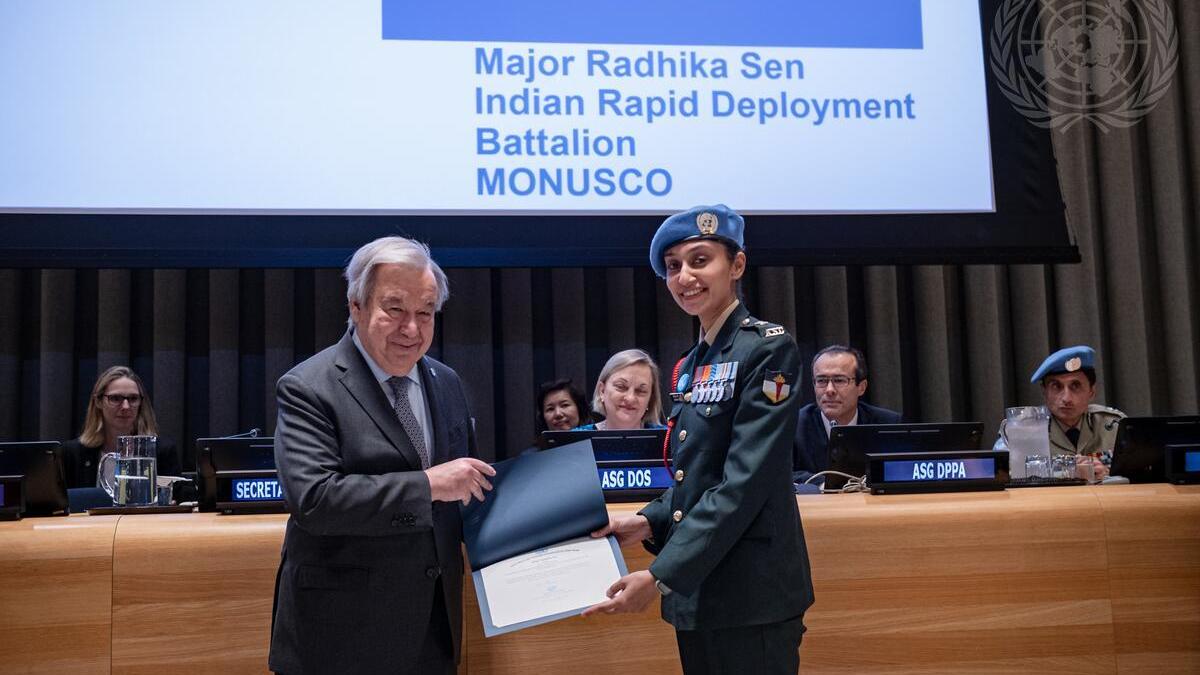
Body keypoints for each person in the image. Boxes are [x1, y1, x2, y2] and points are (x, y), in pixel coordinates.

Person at [583, 204, 814, 674]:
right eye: (673, 267)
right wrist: (645, 521)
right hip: (701, 591)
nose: (684, 276)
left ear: (737, 265)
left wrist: (660, 575)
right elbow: (696, 476)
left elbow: (743, 481)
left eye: (700, 260)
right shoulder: (692, 364)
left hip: (751, 595)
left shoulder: (767, 348)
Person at [268, 236, 496, 675]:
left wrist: (559, 531)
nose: (412, 328)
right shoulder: (308, 387)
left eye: (425, 313)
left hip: (433, 633)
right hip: (339, 639)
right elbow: (315, 500)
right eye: (394, 309)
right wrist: (428, 485)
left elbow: (467, 493)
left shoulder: (446, 382)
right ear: (356, 306)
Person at [996, 345, 1124, 479]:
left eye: (1075, 386)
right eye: (1056, 386)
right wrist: (1065, 472)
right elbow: (999, 475)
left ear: (1091, 391)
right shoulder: (1022, 428)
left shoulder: (1114, 425)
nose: (1066, 398)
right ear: (1044, 391)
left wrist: (1107, 475)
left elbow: (1135, 473)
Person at [792, 345, 902, 486]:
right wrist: (826, 485)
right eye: (821, 381)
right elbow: (781, 473)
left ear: (861, 387)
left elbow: (899, 472)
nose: (829, 390)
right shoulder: (793, 426)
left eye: (839, 380)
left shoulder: (887, 424)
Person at [62, 365, 180, 489]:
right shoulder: (72, 454)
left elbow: (177, 498)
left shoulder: (162, 452)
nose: (126, 406)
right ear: (98, 402)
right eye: (115, 398)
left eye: (133, 398)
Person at [576, 349, 666, 431]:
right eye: (621, 387)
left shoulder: (669, 438)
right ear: (602, 391)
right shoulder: (576, 439)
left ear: (650, 399)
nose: (630, 398)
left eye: (641, 391)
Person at [520, 378, 592, 454]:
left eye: (565, 405)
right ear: (542, 417)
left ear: (579, 409)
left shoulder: (597, 450)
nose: (558, 414)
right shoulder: (531, 457)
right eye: (550, 409)